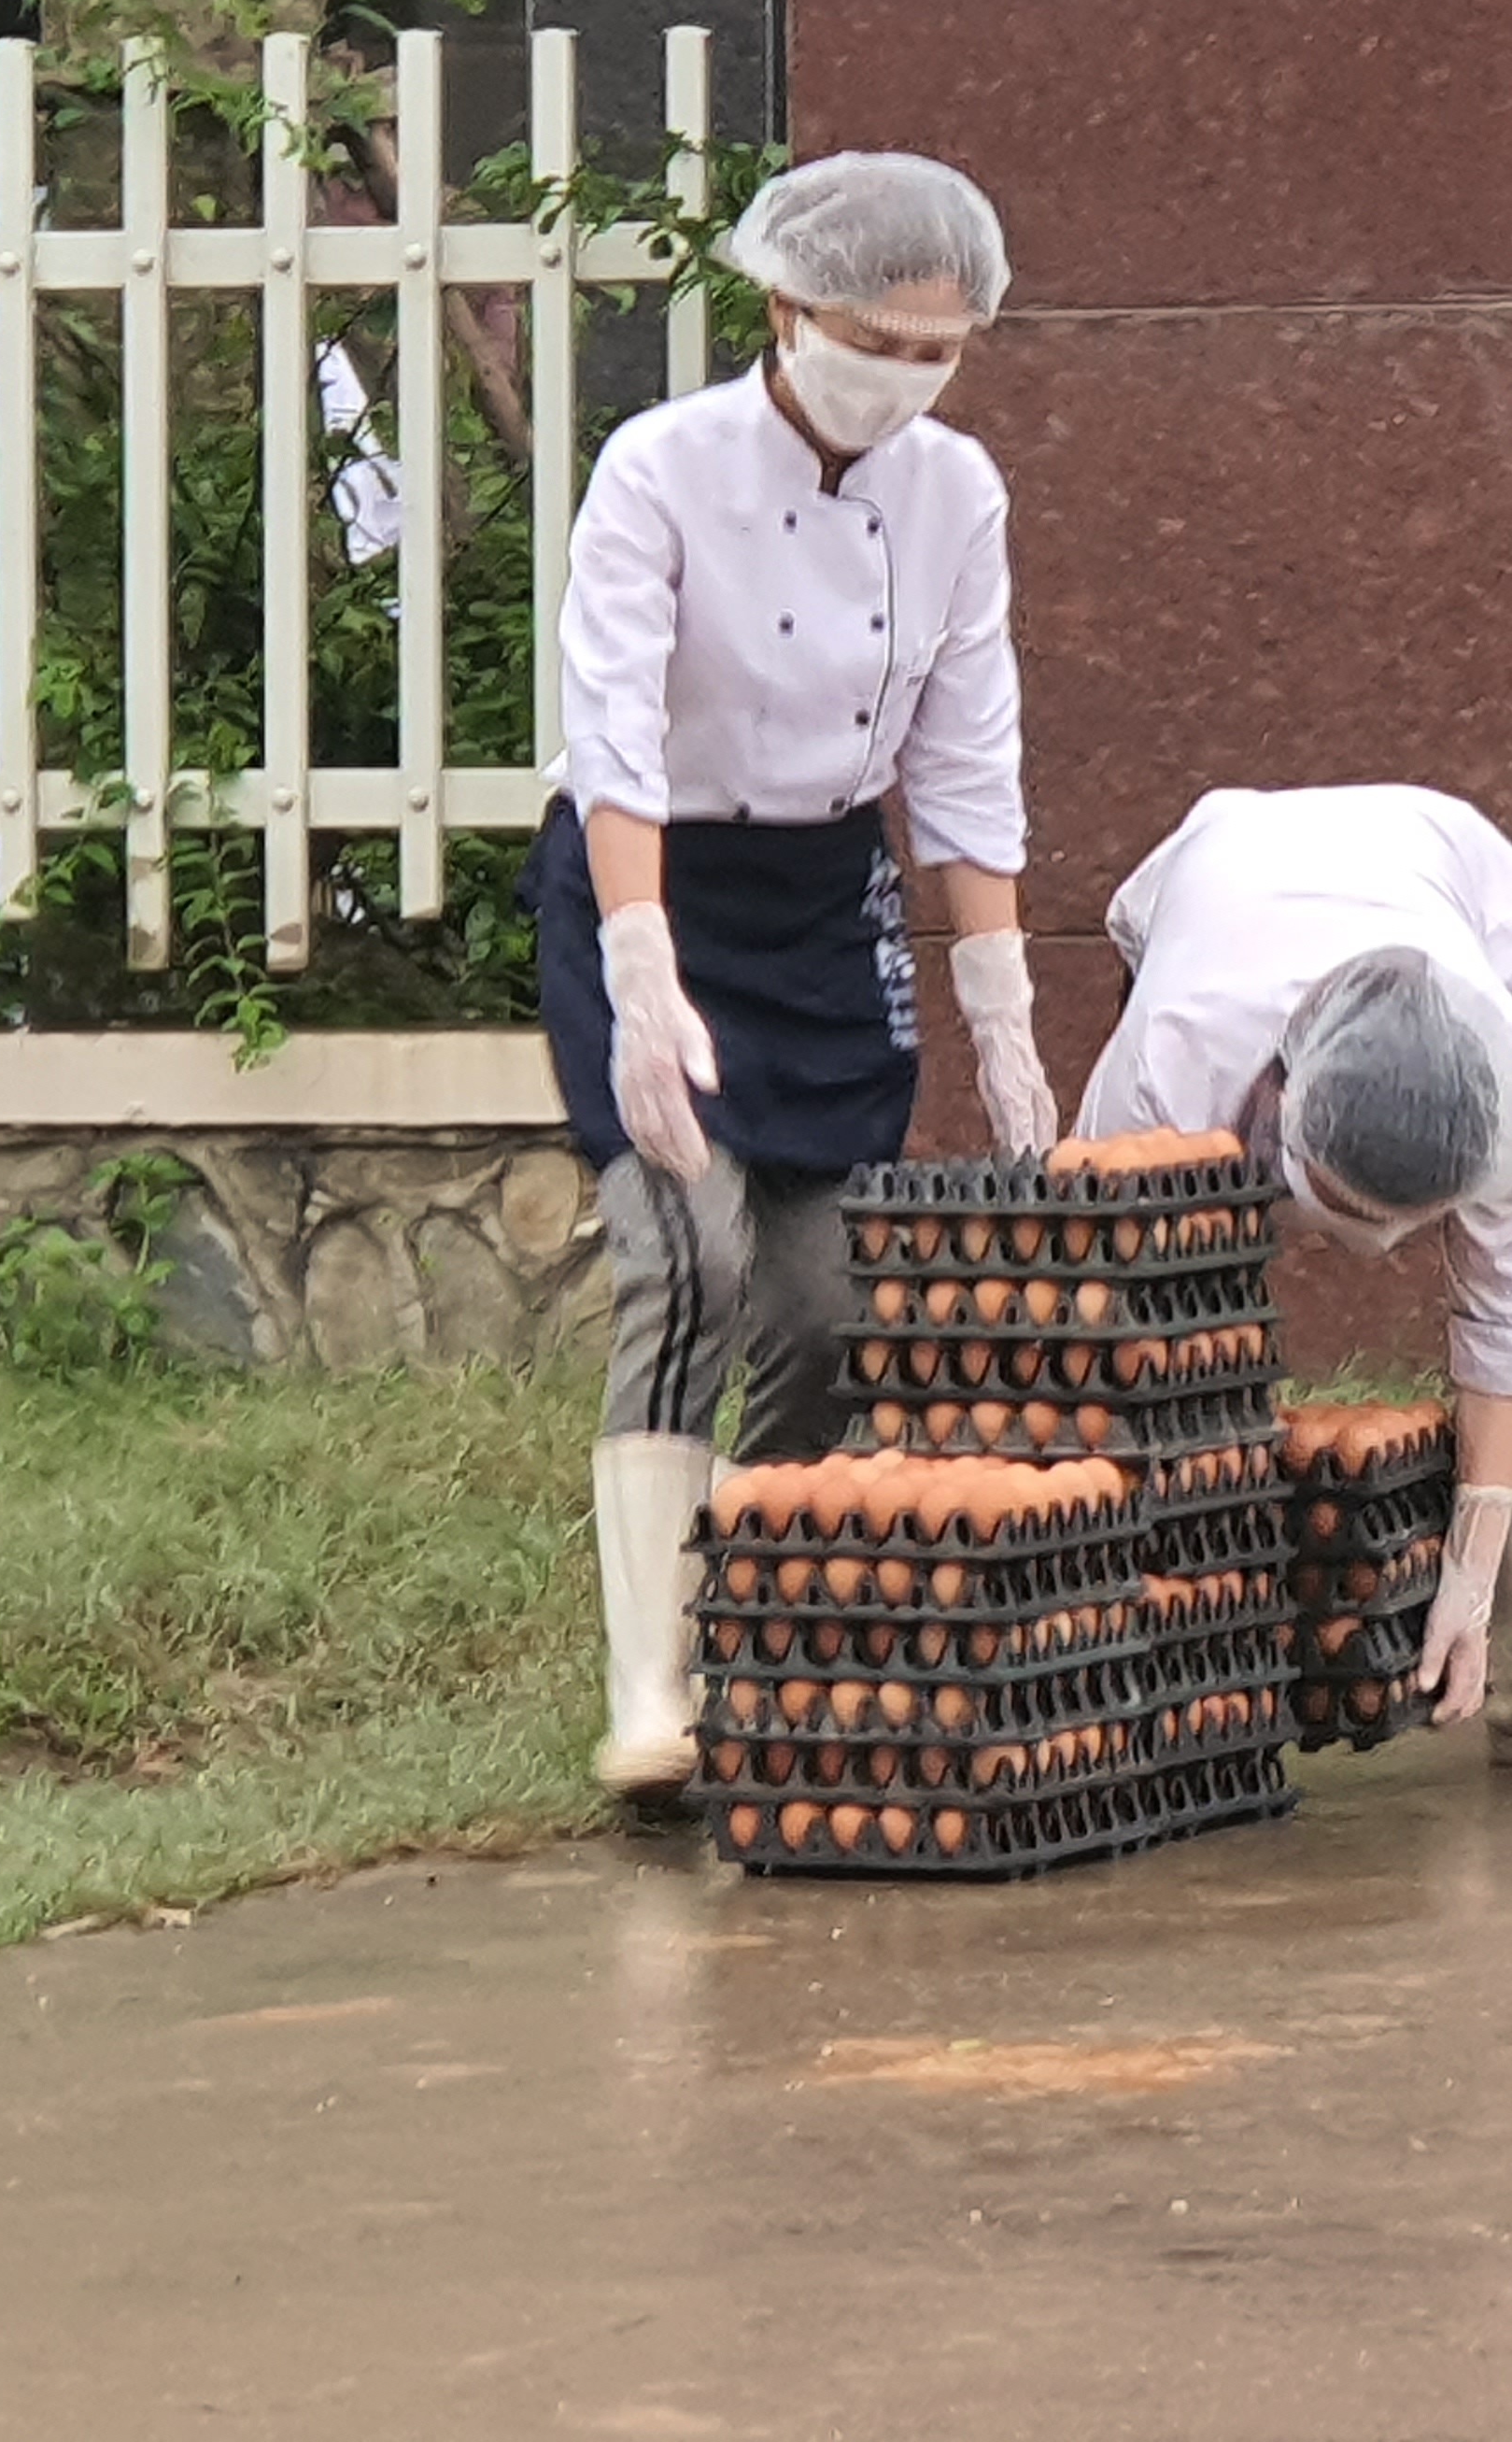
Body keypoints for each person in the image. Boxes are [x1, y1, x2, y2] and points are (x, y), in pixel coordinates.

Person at [523, 153, 1062, 1803]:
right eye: (873, 337)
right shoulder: (661, 466)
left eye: (939, 348)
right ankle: (647, 1687)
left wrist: (1003, 1008)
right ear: (785, 306)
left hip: (827, 896)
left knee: (833, 1309)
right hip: (654, 869)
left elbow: (966, 761)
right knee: (680, 1251)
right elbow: (610, 725)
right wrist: (639, 953)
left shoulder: (958, 496)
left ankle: (752, 1614)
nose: (904, 375)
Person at [1075, 784, 1512, 1778]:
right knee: (1169, 1291)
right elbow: (1098, 1288)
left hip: (1454, 879)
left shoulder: (1502, 1093)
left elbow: (1509, 1318)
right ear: (1280, 1095)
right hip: (1219, 878)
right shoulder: (1171, 1059)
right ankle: (1140, 1652)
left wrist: (1469, 1575)